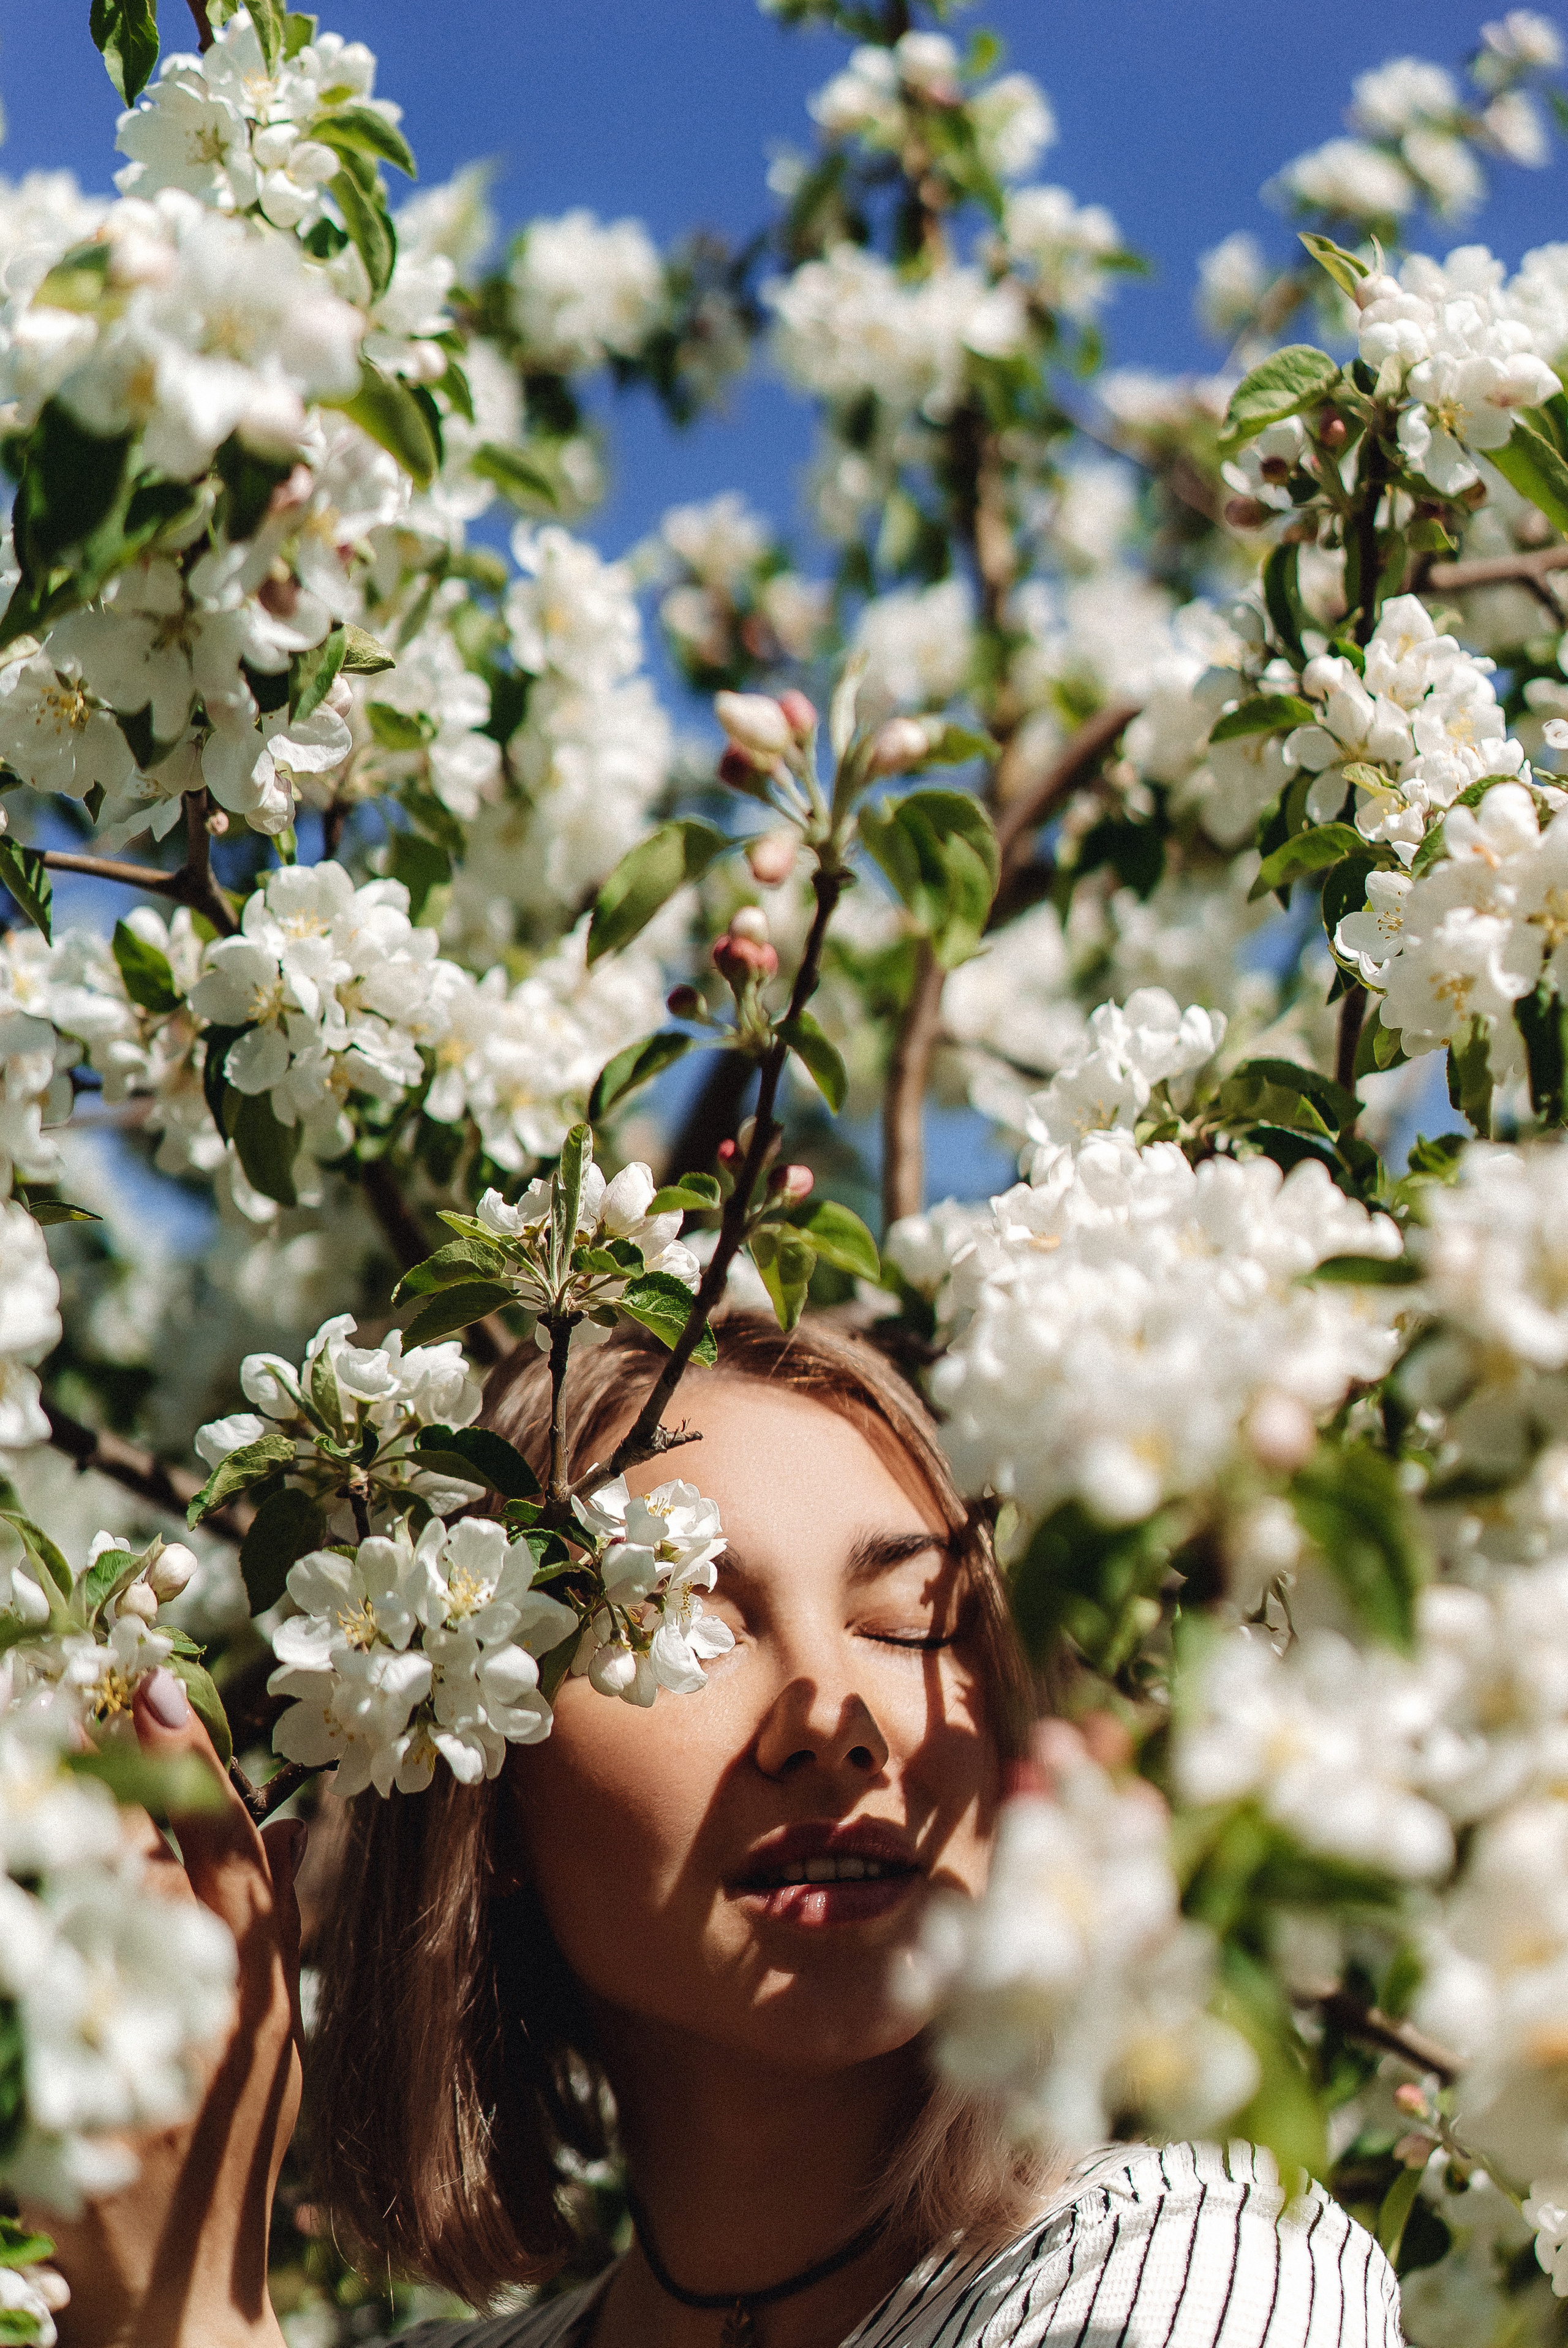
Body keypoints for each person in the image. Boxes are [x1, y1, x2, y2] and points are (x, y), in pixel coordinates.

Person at [37, 1315, 1404, 2347]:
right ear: (479, 1772)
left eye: (908, 1619)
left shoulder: (1207, 2273)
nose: (831, 1714)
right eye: (680, 1626)